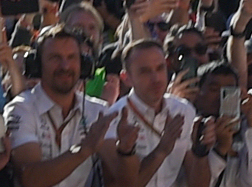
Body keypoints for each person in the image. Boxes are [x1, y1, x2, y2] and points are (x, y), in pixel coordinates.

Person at [3, 26, 116, 187]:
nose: (65, 66)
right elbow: (30, 179)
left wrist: (126, 152)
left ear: (83, 65)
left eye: (71, 57)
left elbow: (124, 179)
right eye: (55, 58)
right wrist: (84, 149)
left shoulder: (98, 111)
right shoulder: (21, 108)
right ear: (38, 65)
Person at [100, 39, 213, 187]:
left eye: (160, 68)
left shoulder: (183, 110)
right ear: (126, 78)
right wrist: (161, 151)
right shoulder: (113, 118)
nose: (156, 78)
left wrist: (201, 153)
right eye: (145, 71)